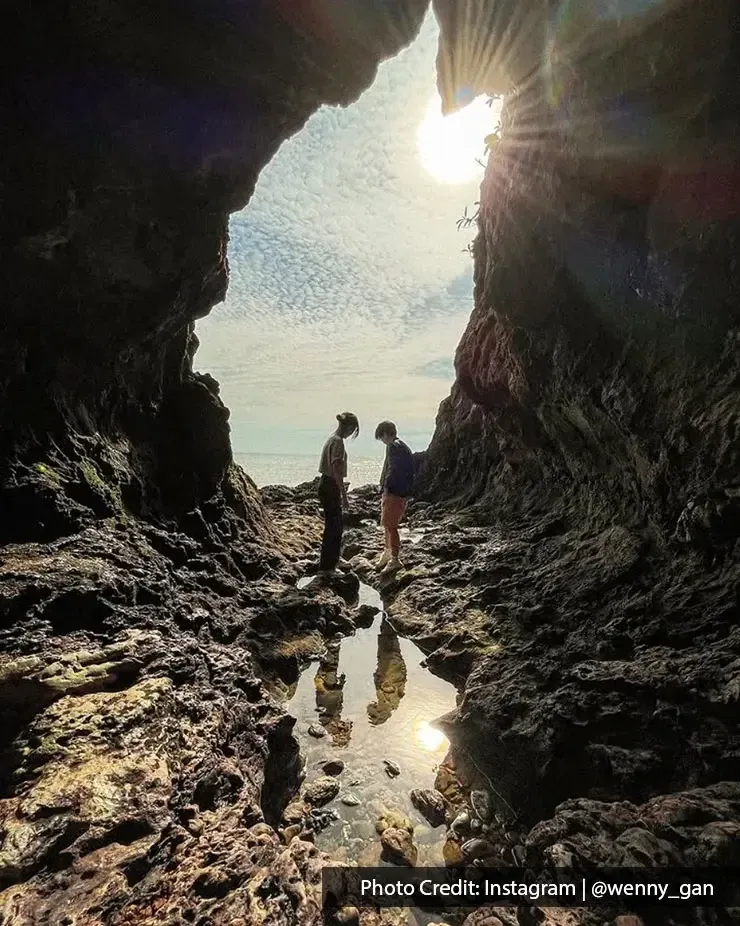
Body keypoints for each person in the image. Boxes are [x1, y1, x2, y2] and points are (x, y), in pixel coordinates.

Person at [317, 412, 359, 576]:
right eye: (353, 430)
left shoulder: (332, 439)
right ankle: (328, 567)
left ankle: (334, 559)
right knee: (333, 527)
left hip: (325, 484)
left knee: (335, 525)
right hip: (330, 485)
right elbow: (336, 471)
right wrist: (344, 495)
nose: (351, 434)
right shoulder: (338, 442)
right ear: (348, 427)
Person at [375, 420, 414, 572]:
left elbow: (394, 469)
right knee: (387, 523)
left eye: (381, 437)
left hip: (395, 492)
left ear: (385, 433)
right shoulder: (401, 446)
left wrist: (387, 487)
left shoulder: (394, 447)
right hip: (400, 491)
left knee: (391, 526)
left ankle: (395, 558)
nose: (383, 441)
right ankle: (387, 552)